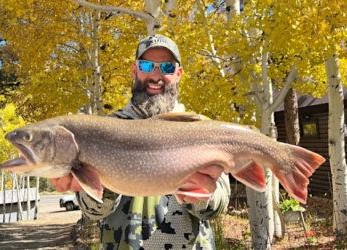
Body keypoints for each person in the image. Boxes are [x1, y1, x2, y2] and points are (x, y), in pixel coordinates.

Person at [51, 34, 230, 249]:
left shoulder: (202, 130)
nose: (156, 75)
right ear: (135, 71)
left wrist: (201, 193)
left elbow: (217, 208)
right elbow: (92, 212)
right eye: (147, 65)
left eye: (166, 68)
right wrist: (106, 179)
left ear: (179, 74)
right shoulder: (102, 131)